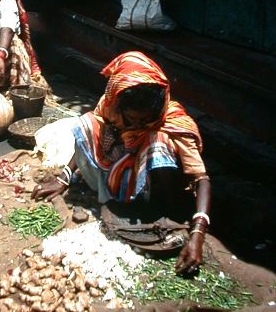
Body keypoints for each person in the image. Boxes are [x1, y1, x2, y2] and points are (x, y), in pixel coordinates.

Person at [32, 51, 211, 276]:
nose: (140, 124)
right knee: (87, 123)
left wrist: (198, 235)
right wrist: (64, 177)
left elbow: (201, 179)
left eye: (146, 119)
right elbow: (91, 138)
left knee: (157, 142)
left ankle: (159, 213)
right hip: (120, 174)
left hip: (156, 186)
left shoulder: (172, 119)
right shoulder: (110, 104)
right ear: (117, 101)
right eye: (133, 119)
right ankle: (121, 201)